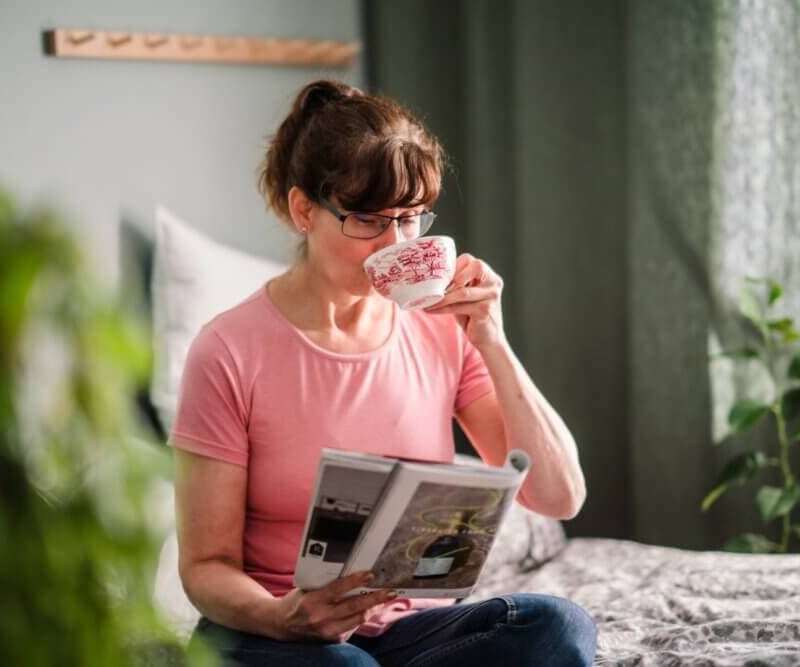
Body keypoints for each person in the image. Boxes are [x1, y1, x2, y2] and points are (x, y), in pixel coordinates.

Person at [171, 79, 597, 666]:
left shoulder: (440, 328)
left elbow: (560, 495)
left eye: (413, 218)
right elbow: (204, 569)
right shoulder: (227, 350)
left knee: (556, 626)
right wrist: (285, 616)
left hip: (405, 632)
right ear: (304, 210)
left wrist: (491, 338)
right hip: (268, 629)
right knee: (346, 666)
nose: (395, 244)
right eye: (370, 220)